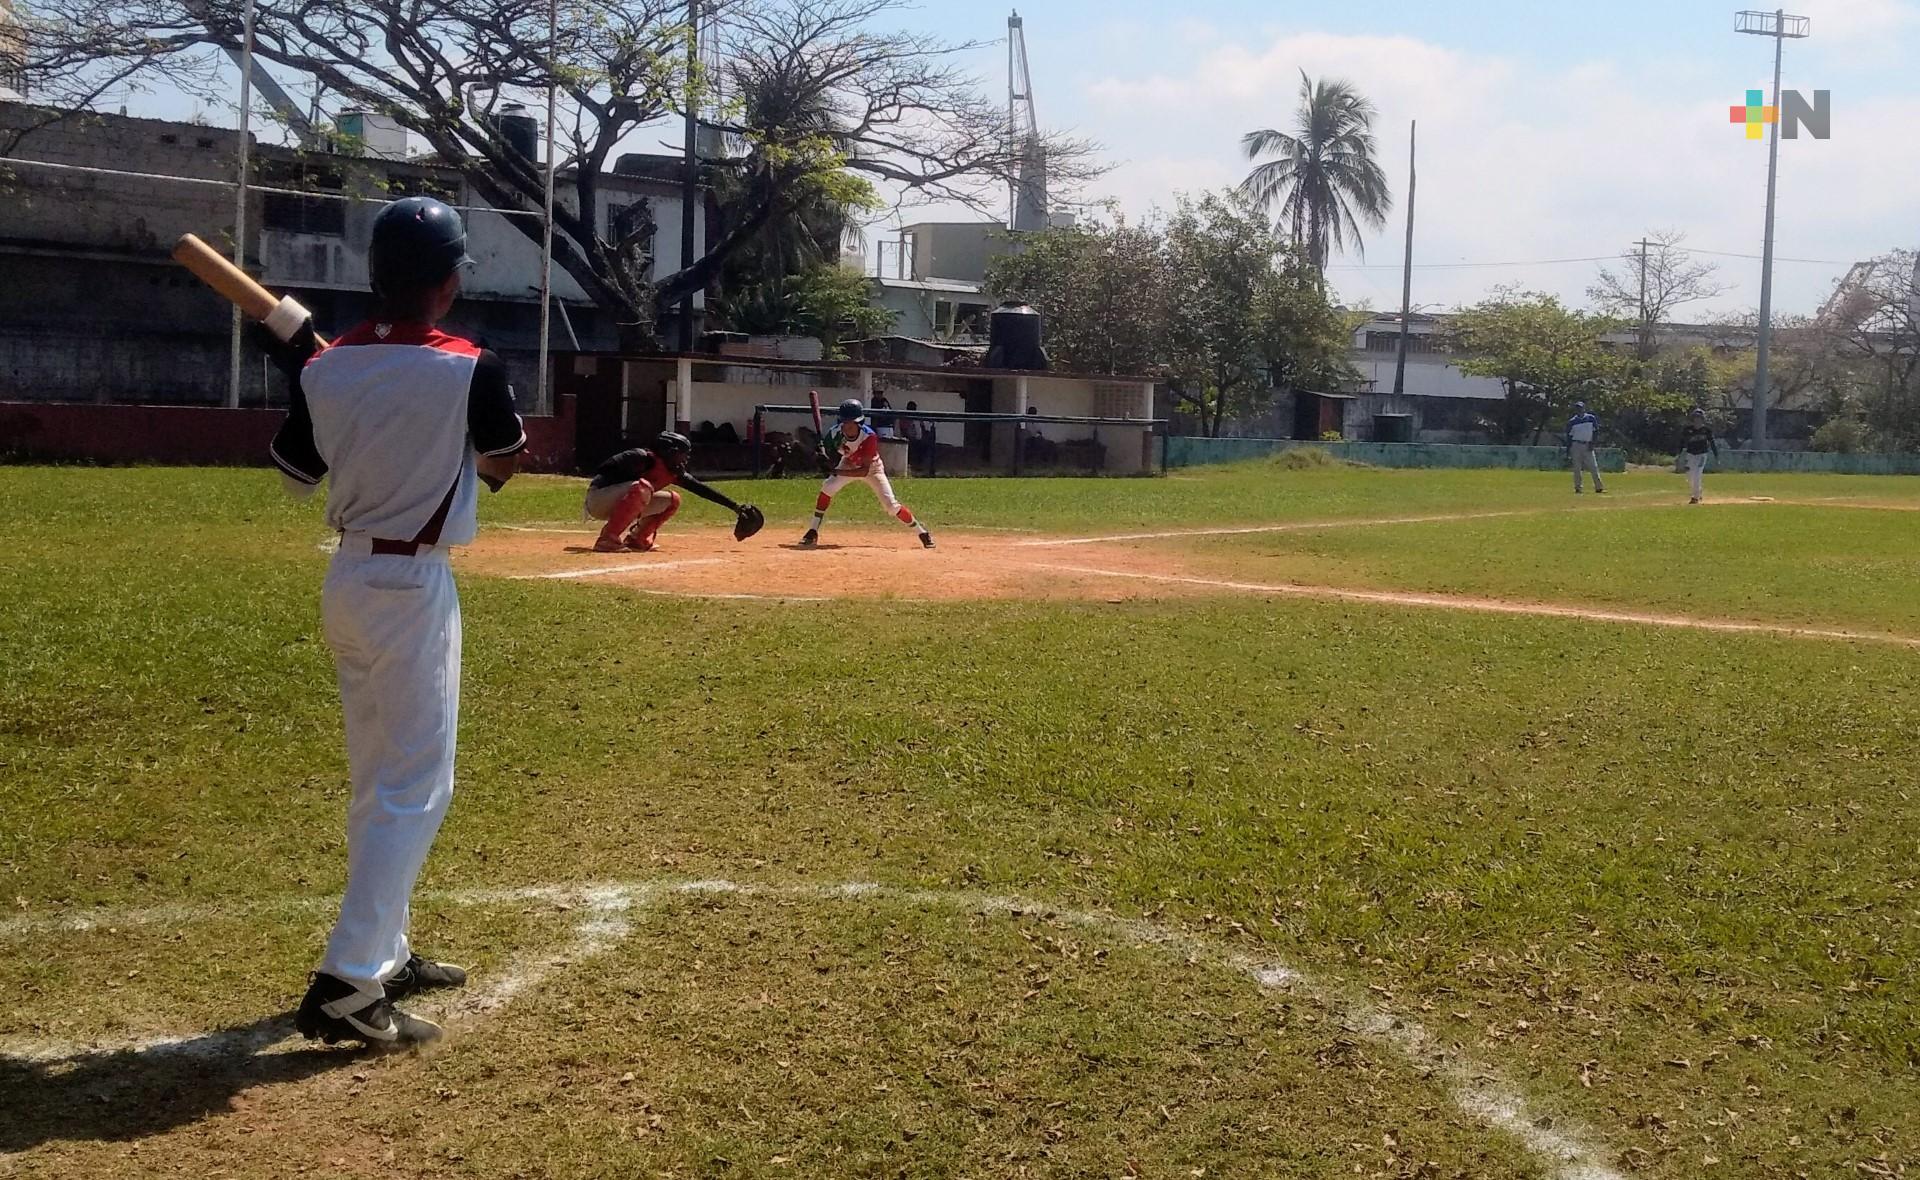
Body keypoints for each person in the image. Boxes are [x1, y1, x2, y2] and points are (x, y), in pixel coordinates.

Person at [265, 195, 527, 1048]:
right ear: (449, 283)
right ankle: (347, 981)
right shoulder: (470, 365)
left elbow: (296, 471)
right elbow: (502, 467)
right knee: (414, 785)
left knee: (380, 775)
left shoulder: (325, 366)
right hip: (412, 586)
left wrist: (320, 374)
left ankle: (386, 950)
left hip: (347, 577)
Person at [585, 432, 760, 552]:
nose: (684, 459)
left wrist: (735, 507)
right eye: (681, 454)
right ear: (668, 452)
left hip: (624, 499)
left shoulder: (672, 471)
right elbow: (604, 470)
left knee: (672, 500)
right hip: (598, 499)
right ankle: (608, 539)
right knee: (644, 487)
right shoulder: (641, 457)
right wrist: (634, 480)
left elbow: (701, 489)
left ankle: (638, 539)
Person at [800, 398, 935, 549]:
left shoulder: (869, 437)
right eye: (845, 423)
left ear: (859, 423)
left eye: (852, 423)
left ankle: (922, 532)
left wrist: (836, 470)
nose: (848, 427)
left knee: (891, 506)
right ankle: (812, 531)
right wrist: (821, 457)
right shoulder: (834, 433)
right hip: (848, 462)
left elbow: (864, 471)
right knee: (827, 488)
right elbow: (826, 453)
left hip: (872, 468)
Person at [1565, 400, 1606, 494]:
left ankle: (1598, 487)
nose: (1579, 410)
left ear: (1584, 408)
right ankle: (1578, 488)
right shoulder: (1572, 421)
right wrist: (1568, 449)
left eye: (1581, 408)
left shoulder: (1591, 418)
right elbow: (1569, 436)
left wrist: (1593, 443)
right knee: (1577, 468)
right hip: (1576, 445)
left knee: (1593, 467)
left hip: (1587, 444)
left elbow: (1596, 431)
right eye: (1578, 408)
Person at [1680, 408, 1719, 504]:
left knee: (1697, 475)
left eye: (1699, 418)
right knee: (1690, 476)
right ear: (1692, 419)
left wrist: (1716, 455)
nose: (1697, 420)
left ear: (1702, 419)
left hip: (1701, 455)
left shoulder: (1706, 430)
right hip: (1690, 455)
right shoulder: (1687, 430)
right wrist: (1679, 455)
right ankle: (1698, 492)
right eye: (1695, 418)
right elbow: (1681, 443)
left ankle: (1695, 497)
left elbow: (1712, 443)